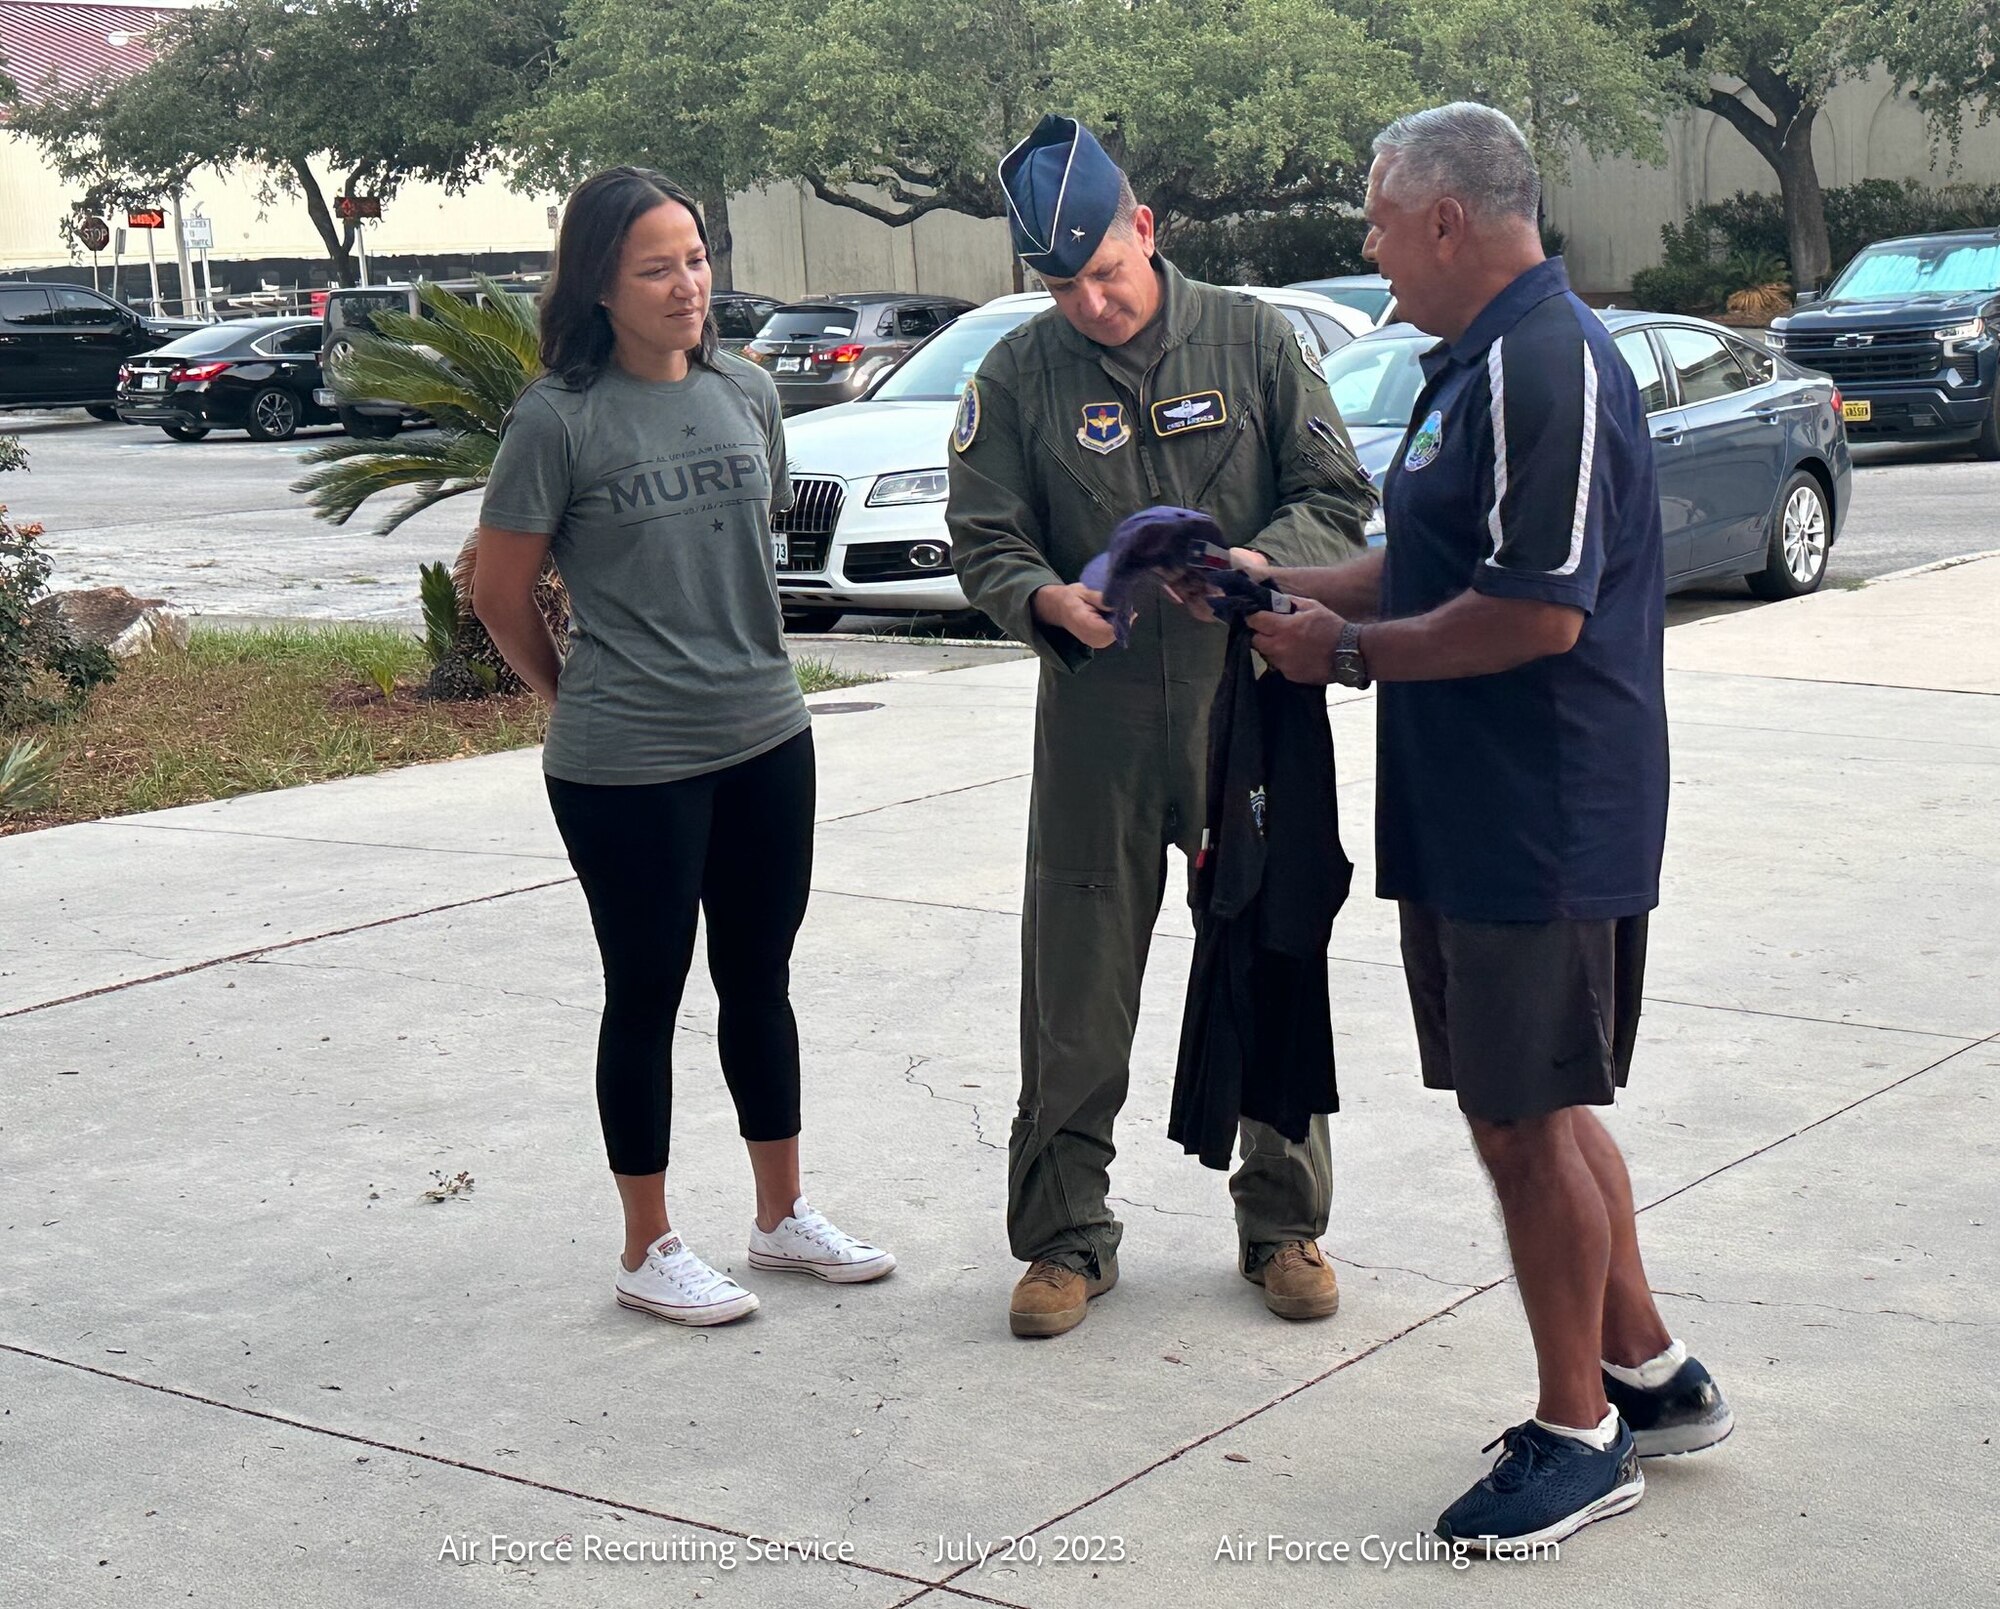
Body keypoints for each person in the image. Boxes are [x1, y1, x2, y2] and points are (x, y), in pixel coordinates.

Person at [1239, 105, 1732, 1549]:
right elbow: (1431, 566)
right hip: (1472, 803)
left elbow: (1536, 606)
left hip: (1545, 810)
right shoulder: (1478, 367)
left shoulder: (1546, 362)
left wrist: (1338, 659)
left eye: (1381, 223)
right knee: (1538, 1104)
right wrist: (1294, 584)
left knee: (1522, 1119)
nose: (1371, 250)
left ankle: (1578, 1431)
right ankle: (1650, 1377)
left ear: (1447, 218)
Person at [947, 115, 1375, 1340]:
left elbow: (1336, 497)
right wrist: (1038, 598)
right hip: (1099, 712)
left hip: (1250, 698)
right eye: (1062, 286)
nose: (1091, 302)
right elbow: (984, 533)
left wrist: (1257, 561)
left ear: (1145, 229)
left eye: (1106, 272)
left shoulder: (1253, 336)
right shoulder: (1015, 376)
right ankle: (1064, 1236)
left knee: (1269, 952)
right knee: (1075, 982)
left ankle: (1282, 1221)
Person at [474, 167, 894, 1328]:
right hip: (627, 760)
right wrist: (570, 692)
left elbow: (737, 559)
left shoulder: (746, 391)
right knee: (646, 993)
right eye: (655, 268)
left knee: (760, 978)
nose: (686, 285)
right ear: (599, 286)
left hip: (765, 730)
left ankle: (779, 1219)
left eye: (696, 259)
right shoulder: (558, 417)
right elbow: (498, 588)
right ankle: (646, 1243)